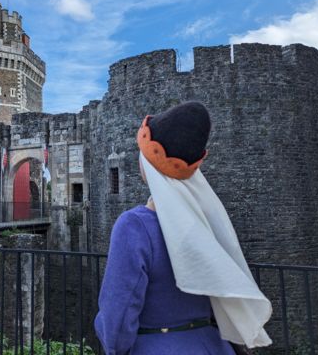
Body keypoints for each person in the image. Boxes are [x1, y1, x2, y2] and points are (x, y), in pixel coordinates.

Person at [94, 101, 272, 355]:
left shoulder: (134, 226)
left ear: (149, 162)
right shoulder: (207, 223)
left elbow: (118, 316)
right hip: (215, 346)